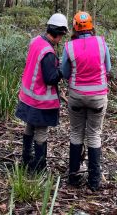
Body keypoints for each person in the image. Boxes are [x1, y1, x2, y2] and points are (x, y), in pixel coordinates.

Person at [61, 11, 111, 191]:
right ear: (91, 26)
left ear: (74, 27)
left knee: (76, 133)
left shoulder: (68, 46)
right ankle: (94, 181)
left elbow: (65, 73)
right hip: (98, 96)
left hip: (76, 96)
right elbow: (108, 68)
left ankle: (73, 178)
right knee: (94, 135)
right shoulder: (101, 43)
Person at [15, 12, 68, 172]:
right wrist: (61, 70)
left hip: (28, 96)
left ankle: (26, 158)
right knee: (41, 131)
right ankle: (38, 166)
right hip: (41, 100)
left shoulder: (35, 41)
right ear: (59, 34)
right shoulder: (48, 53)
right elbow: (50, 78)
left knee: (30, 126)